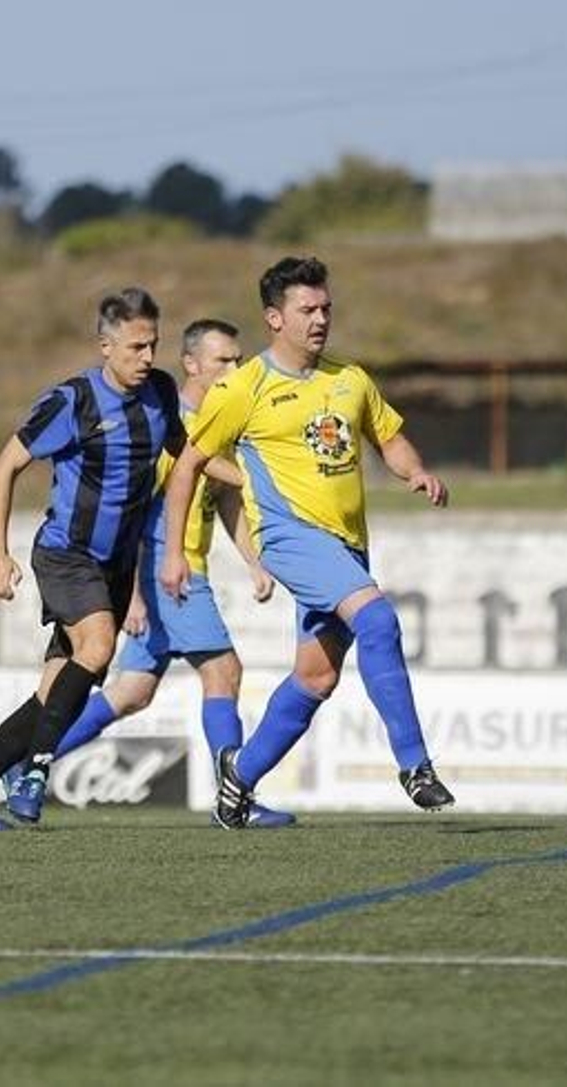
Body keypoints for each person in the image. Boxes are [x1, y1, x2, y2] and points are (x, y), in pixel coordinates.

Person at [158, 256, 455, 829]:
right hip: (289, 537)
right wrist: (174, 552)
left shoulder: (350, 378)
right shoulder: (244, 388)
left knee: (316, 678)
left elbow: (389, 437)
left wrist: (413, 470)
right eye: (307, 310)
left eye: (326, 308)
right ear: (275, 318)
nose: (320, 319)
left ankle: (237, 782)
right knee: (378, 621)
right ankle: (415, 766)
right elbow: (188, 464)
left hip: (346, 546)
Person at [19, 318, 295, 827]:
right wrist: (136, 594)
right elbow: (135, 512)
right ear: (191, 364)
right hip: (171, 573)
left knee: (130, 694)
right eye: (223, 361)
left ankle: (28, 765)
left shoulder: (218, 424)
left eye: (238, 360)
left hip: (173, 574)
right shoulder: (170, 425)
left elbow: (227, 497)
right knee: (224, 671)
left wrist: (255, 561)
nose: (235, 369)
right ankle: (235, 799)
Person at [0, 286, 185, 830]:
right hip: (66, 555)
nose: (147, 358)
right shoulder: (71, 401)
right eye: (135, 348)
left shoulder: (161, 393)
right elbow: (2, 469)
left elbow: (187, 458)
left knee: (57, 695)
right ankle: (34, 772)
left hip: (117, 566)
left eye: (154, 346)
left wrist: (250, 478)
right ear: (105, 345)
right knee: (97, 647)